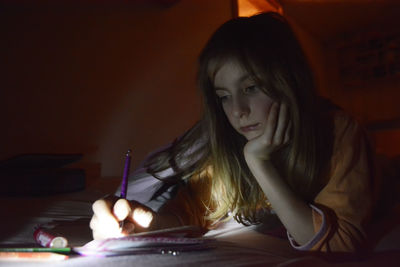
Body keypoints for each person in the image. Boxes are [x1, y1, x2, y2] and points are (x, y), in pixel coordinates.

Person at [90, 12, 380, 254]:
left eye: (251, 88)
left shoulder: (339, 131)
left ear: (288, 83)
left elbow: (340, 247)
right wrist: (148, 222)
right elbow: (193, 210)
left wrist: (259, 163)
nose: (238, 110)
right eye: (224, 96)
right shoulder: (227, 144)